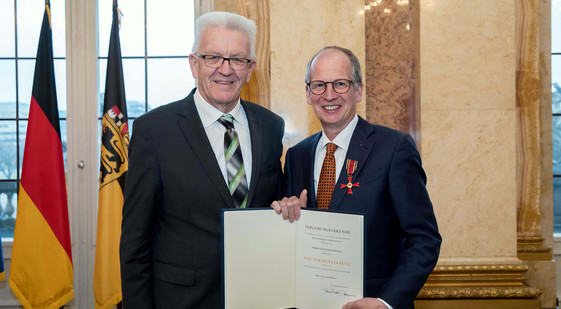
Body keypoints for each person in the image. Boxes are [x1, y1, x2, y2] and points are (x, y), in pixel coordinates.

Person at [120, 12, 285, 308]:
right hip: (182, 300)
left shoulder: (271, 127)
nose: (226, 69)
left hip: (258, 295)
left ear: (251, 69)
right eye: (213, 57)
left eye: (237, 59)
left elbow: (275, 207)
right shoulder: (154, 131)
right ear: (194, 63)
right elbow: (135, 243)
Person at [272, 46, 441, 309]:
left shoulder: (394, 148)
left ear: (358, 90)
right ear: (308, 93)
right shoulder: (297, 156)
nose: (329, 95)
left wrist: (386, 302)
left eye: (340, 84)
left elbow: (425, 239)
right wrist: (287, 222)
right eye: (318, 85)